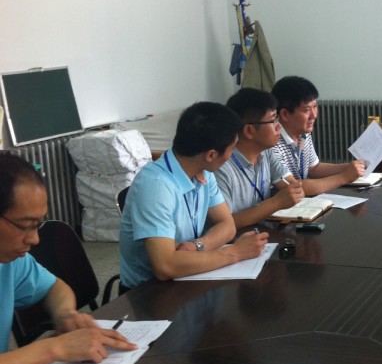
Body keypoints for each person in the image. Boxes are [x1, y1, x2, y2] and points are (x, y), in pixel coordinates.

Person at [0, 153, 136, 364]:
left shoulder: (9, 261)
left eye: (38, 225)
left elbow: (54, 287)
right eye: (25, 226)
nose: (35, 239)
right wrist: (54, 348)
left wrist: (65, 315)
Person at [119, 102, 268, 289]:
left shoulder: (203, 171)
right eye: (232, 149)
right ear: (211, 155)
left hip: (188, 277)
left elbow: (227, 225)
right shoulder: (156, 186)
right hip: (149, 292)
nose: (232, 155)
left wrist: (198, 245)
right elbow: (165, 266)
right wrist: (235, 252)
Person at [215, 88, 306, 229]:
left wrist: (295, 191)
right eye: (273, 120)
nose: (279, 126)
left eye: (277, 118)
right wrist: (276, 202)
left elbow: (291, 185)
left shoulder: (266, 153)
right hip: (237, 238)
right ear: (249, 131)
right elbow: (226, 223)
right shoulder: (221, 168)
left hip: (263, 232)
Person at [272, 76, 365, 193]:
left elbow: (313, 168)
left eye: (315, 107)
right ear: (285, 114)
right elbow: (293, 188)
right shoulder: (272, 143)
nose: (314, 115)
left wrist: (350, 167)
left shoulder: (303, 133)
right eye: (306, 110)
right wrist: (344, 177)